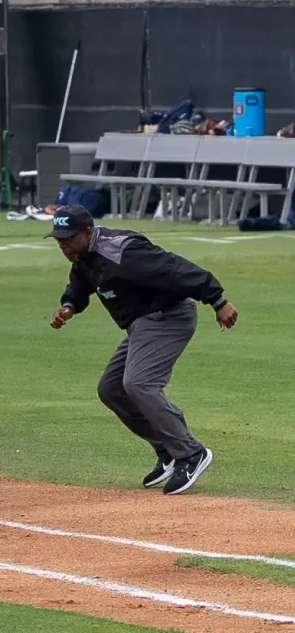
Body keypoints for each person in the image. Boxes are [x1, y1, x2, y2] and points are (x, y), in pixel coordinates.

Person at [45, 204, 238, 495]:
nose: (63, 245)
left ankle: (190, 452)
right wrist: (69, 306)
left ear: (87, 232)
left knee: (139, 383)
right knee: (111, 389)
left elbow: (174, 268)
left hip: (168, 317)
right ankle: (167, 450)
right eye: (59, 239)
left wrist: (218, 300)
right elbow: (80, 282)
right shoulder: (83, 255)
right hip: (142, 324)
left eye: (68, 238)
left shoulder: (123, 251)